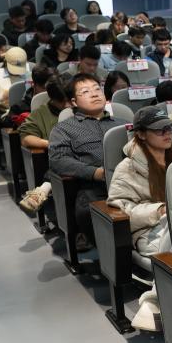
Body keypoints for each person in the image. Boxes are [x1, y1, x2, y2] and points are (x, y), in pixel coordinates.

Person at [106, 105, 172, 330]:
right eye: (160, 130)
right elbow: (121, 208)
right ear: (141, 134)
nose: (168, 133)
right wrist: (158, 210)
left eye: (169, 128)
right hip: (150, 230)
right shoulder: (127, 167)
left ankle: (157, 300)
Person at [48, 74, 124, 252]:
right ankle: (116, 255)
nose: (95, 94)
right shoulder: (64, 129)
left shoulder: (124, 124)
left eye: (97, 89)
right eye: (86, 91)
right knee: (87, 210)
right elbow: (58, 160)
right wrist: (95, 173)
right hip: (96, 187)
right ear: (74, 102)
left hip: (132, 183)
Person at [17, 77, 70, 213]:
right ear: (52, 98)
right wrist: (51, 144)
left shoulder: (82, 108)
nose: (67, 105)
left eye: (69, 100)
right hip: (57, 158)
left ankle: (46, 186)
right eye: (62, 101)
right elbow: (26, 138)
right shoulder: (40, 113)